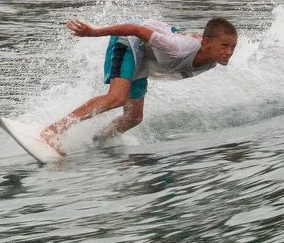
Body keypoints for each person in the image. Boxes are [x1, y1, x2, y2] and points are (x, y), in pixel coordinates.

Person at [42, 15, 238, 148]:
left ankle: (96, 141)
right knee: (117, 98)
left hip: (143, 59)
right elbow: (136, 29)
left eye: (232, 47)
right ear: (206, 43)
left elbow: (192, 37)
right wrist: (93, 32)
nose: (229, 52)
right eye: (224, 46)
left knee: (133, 117)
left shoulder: (212, 61)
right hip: (128, 40)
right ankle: (52, 130)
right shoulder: (177, 49)